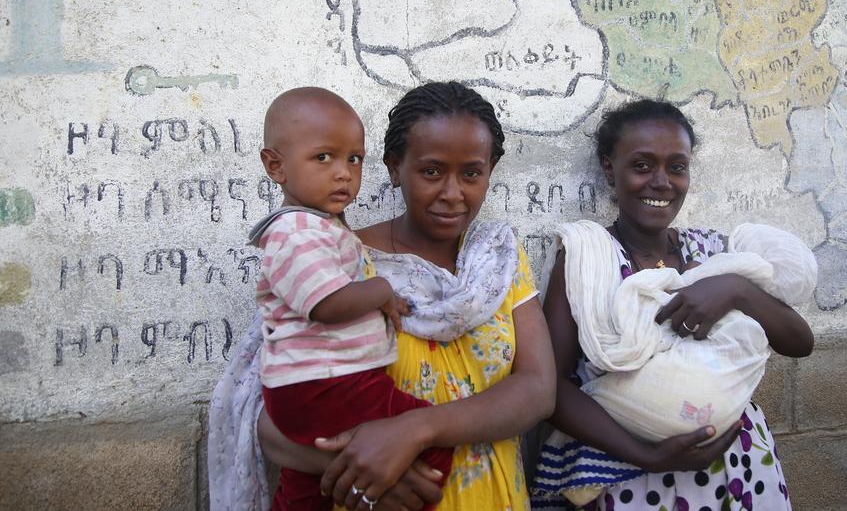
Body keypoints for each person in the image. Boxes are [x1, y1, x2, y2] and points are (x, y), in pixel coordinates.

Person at [209, 81, 556, 511]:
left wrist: (417, 430)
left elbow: (538, 390)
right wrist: (370, 475)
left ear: (491, 170)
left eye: (471, 173)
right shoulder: (338, 264)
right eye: (431, 171)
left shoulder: (498, 259)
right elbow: (268, 413)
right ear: (394, 168)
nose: (452, 193)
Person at [532, 99, 814, 510]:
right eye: (642, 166)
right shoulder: (587, 260)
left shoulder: (716, 253)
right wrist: (647, 455)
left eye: (676, 167)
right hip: (628, 477)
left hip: (737, 469)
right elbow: (549, 388)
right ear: (610, 168)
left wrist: (735, 290)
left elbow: (799, 342)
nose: (661, 182)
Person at [249, 87, 452, 510]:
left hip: (320, 383)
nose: (343, 173)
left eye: (353, 159)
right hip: (327, 383)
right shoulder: (298, 232)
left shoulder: (321, 228)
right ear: (276, 166)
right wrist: (380, 291)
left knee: (307, 485)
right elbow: (327, 304)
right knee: (431, 441)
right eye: (323, 157)